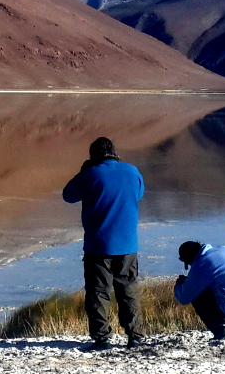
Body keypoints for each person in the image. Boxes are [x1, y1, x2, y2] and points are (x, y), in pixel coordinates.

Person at [62, 137, 146, 350]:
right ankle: (135, 336)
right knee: (128, 290)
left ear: (93, 156)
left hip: (99, 245)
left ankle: (102, 339)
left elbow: (68, 195)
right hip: (128, 244)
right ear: (115, 152)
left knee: (98, 292)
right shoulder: (132, 171)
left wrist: (83, 171)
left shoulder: (91, 174)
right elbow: (139, 194)